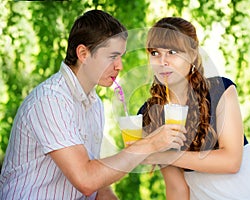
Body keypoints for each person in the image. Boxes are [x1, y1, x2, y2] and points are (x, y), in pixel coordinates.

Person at [0, 10, 187, 199]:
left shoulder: (93, 103)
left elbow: (97, 180)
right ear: (83, 53)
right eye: (112, 56)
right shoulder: (50, 100)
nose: (119, 66)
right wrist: (151, 143)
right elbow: (86, 180)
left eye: (120, 56)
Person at [138, 17, 250, 200]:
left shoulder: (219, 90)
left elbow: (231, 161)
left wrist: (167, 157)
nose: (162, 61)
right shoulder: (149, 115)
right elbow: (177, 188)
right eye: (154, 53)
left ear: (192, 55)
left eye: (172, 52)